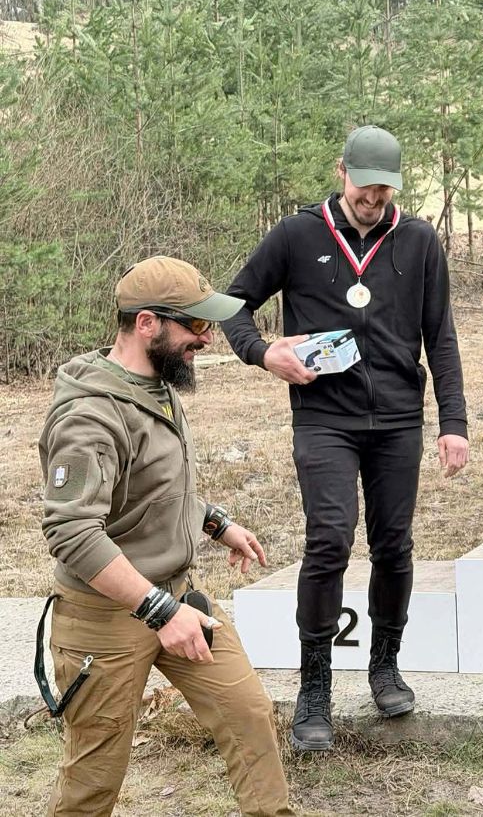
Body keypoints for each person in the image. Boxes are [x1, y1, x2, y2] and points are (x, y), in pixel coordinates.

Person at [223, 124, 469, 751]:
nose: (373, 199)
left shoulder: (418, 240)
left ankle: (385, 666)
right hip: (324, 417)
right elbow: (233, 305)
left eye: (385, 189)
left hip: (397, 421)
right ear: (342, 173)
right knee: (329, 540)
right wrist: (263, 353)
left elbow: (440, 336)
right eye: (364, 187)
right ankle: (315, 689)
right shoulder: (297, 234)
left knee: (393, 546)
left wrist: (454, 422)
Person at [39, 256, 294, 817]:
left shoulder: (155, 385)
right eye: (196, 325)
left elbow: (150, 487)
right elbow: (72, 531)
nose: (207, 338)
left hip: (177, 597)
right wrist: (159, 613)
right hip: (105, 618)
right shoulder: (88, 415)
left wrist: (216, 523)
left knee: (249, 715)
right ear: (147, 323)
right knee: (92, 782)